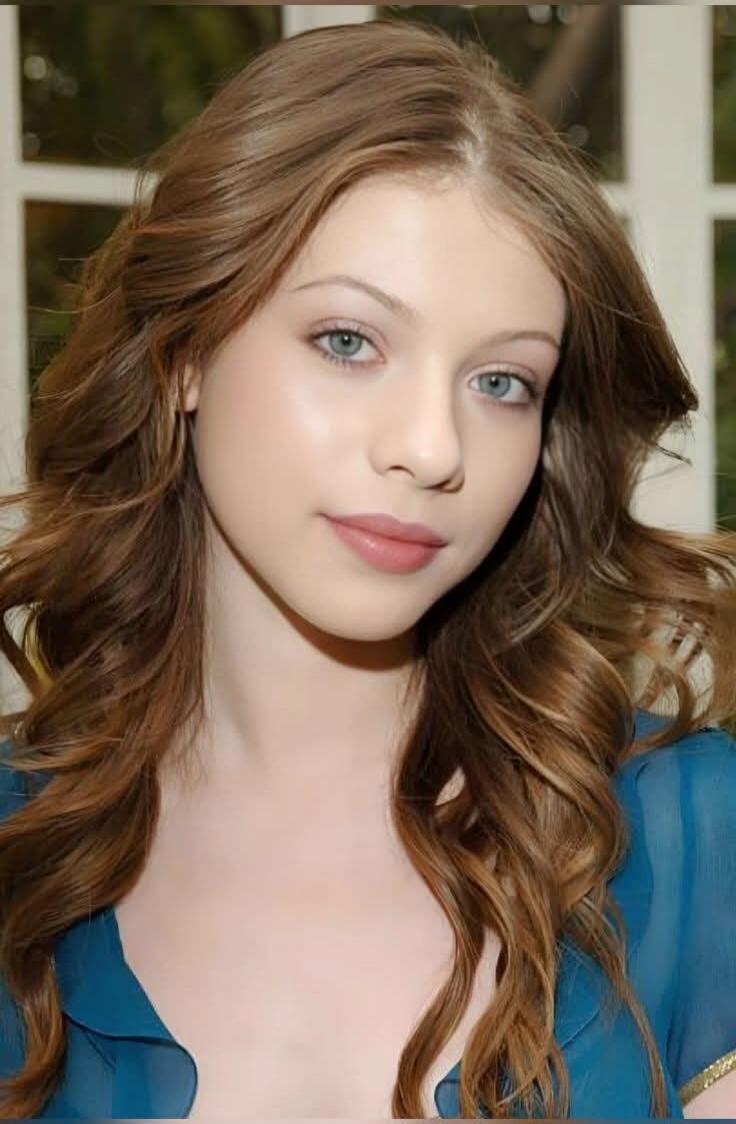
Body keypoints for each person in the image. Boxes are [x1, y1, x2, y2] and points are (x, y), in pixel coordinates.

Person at [0, 15, 734, 1121]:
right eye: (349, 341)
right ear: (186, 350)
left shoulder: (687, 835)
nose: (433, 447)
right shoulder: (19, 858)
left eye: (502, 382)